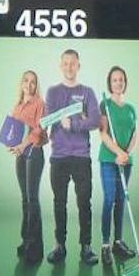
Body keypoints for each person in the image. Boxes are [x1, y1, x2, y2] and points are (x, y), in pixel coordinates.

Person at [44, 49, 101, 265]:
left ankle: (86, 247)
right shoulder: (52, 92)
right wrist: (72, 117)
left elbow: (95, 120)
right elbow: (49, 118)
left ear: (79, 66)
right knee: (59, 203)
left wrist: (75, 123)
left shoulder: (87, 92)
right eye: (65, 63)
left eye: (73, 63)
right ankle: (60, 245)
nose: (69, 67)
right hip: (58, 157)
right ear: (61, 66)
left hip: (81, 157)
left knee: (84, 203)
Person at [98, 65, 139, 265]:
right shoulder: (104, 104)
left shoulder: (131, 108)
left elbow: (136, 135)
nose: (118, 83)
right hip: (108, 159)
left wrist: (127, 153)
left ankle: (118, 242)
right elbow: (103, 133)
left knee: (121, 200)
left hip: (126, 161)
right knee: (109, 199)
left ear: (125, 82)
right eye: (114, 80)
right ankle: (105, 245)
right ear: (110, 83)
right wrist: (118, 152)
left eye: (121, 79)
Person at [6, 70, 47, 263]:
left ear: (36, 85)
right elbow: (14, 130)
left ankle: (35, 247)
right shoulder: (17, 106)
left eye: (33, 82)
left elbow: (39, 129)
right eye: (26, 81)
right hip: (21, 155)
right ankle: (26, 240)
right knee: (25, 199)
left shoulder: (40, 103)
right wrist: (10, 142)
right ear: (21, 84)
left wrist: (22, 145)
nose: (29, 85)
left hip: (34, 153)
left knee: (32, 199)